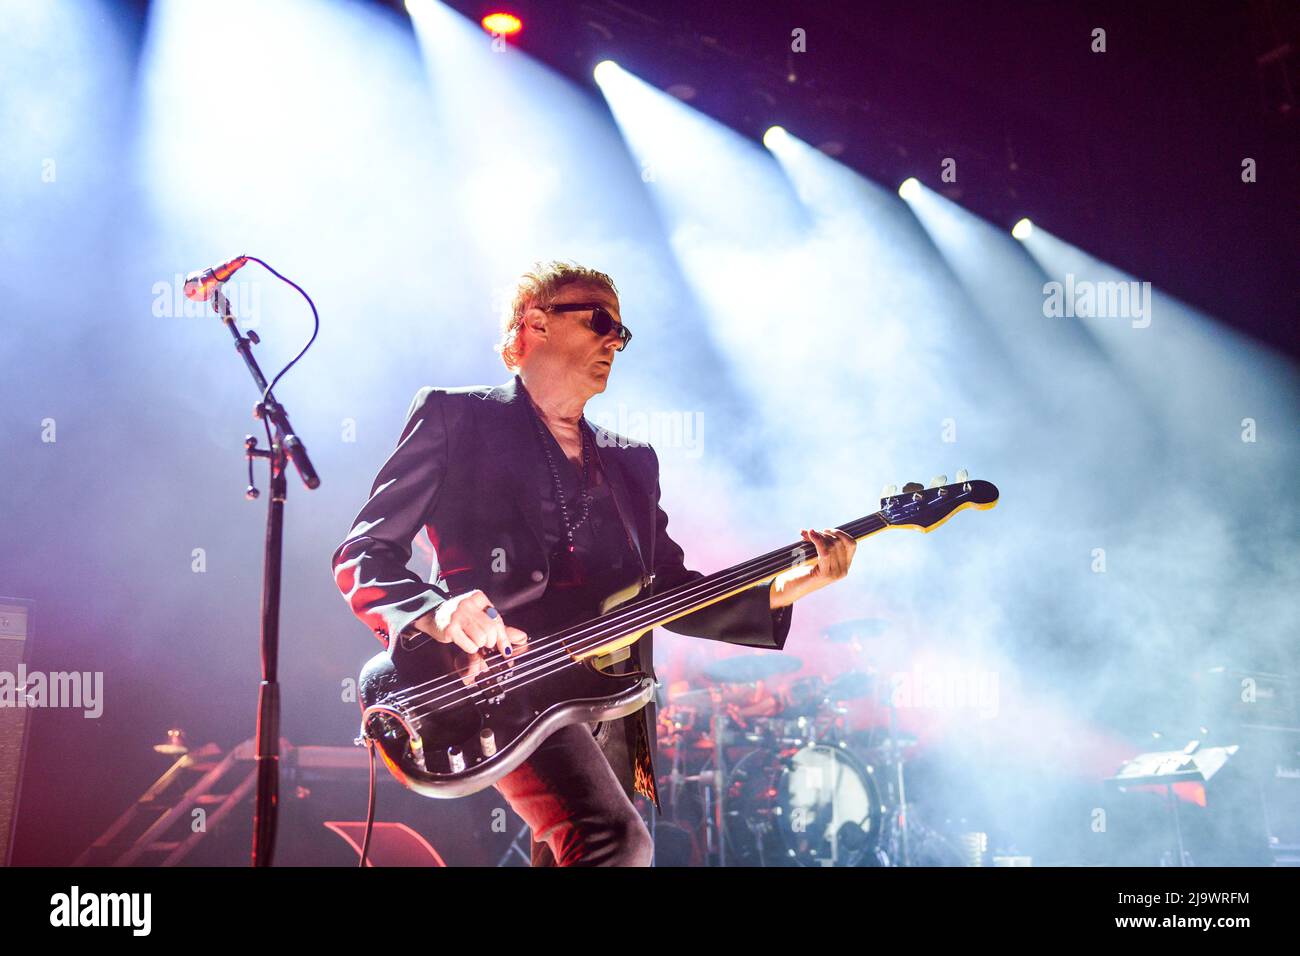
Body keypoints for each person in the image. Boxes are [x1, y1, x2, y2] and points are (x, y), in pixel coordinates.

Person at [331, 261, 858, 866]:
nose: (615, 339)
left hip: (611, 695)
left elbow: (671, 591)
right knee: (613, 842)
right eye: (599, 319)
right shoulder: (459, 418)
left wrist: (785, 589)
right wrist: (434, 613)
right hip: (503, 683)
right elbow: (364, 553)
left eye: (622, 332)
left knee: (584, 853)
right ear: (533, 325)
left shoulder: (633, 462)